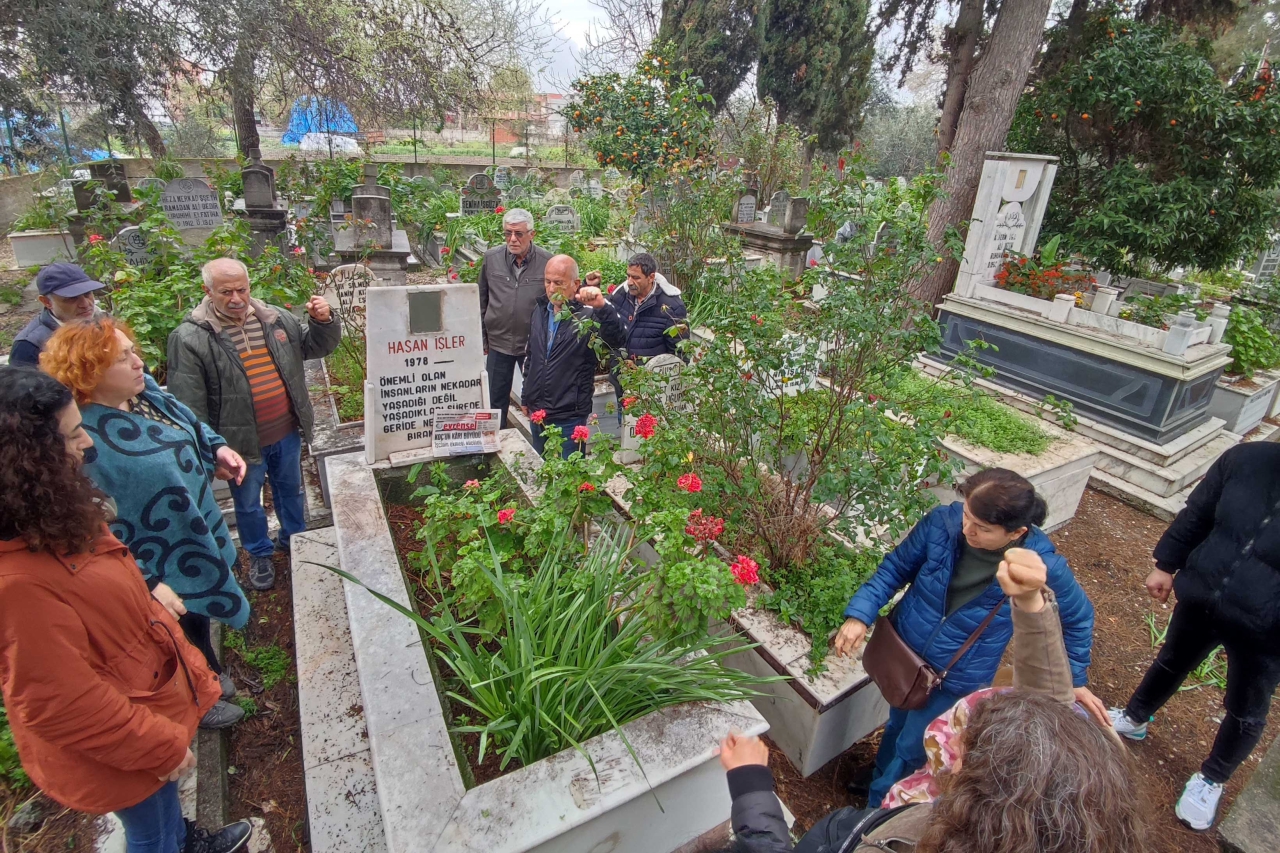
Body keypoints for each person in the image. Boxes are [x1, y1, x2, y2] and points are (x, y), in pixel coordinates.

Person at [716, 549, 1146, 853]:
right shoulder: (1030, 817)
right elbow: (1044, 714)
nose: (944, 743)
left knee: (906, 746)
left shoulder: (910, 839)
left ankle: (875, 792)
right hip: (912, 672)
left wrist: (752, 787)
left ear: (981, 788)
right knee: (898, 739)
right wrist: (1030, 604)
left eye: (964, 743)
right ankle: (875, 784)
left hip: (854, 824)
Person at [0, 365, 254, 853]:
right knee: (149, 832)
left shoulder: (49, 517)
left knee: (162, 814)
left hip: (141, 705)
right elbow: (62, 703)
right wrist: (157, 745)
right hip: (122, 741)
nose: (87, 445)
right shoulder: (17, 584)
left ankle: (187, 840)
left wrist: (145, 595)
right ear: (28, 458)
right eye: (73, 435)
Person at [832, 467, 1101, 806]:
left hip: (955, 677)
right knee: (898, 721)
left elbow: (1079, 618)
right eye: (967, 516)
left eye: (982, 528)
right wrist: (861, 613)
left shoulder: (1041, 567)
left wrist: (1074, 679)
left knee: (916, 745)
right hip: (904, 656)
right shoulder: (942, 525)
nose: (967, 530)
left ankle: (877, 808)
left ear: (1016, 532)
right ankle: (882, 776)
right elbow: (896, 567)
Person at [42, 317, 250, 730]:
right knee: (167, 630)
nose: (139, 362)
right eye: (124, 358)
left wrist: (217, 448)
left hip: (192, 532)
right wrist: (146, 579)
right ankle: (198, 699)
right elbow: (89, 522)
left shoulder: (145, 395)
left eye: (133, 351)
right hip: (151, 555)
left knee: (196, 618)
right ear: (90, 370)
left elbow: (189, 423)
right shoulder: (82, 436)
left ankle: (207, 668)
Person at [1109, 441, 1280, 831]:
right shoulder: (1247, 459)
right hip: (1204, 594)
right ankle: (1135, 717)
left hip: (1267, 629)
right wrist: (1166, 564)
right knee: (1171, 660)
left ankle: (1212, 778)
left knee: (1246, 708)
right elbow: (1199, 512)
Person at [167, 258, 341, 591]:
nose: (236, 298)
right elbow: (189, 404)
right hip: (237, 442)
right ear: (207, 291)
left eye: (242, 289)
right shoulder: (190, 338)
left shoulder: (275, 318)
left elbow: (314, 347)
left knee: (290, 489)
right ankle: (259, 552)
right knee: (248, 503)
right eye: (225, 291)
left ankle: (294, 539)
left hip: (285, 430)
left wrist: (323, 321)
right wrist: (210, 453)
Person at [520, 254, 626, 459]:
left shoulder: (588, 317)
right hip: (538, 411)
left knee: (569, 477)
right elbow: (532, 356)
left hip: (568, 413)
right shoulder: (541, 310)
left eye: (558, 283)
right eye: (547, 281)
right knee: (543, 471)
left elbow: (617, 339)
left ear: (575, 284)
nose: (551, 289)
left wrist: (602, 308)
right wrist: (526, 395)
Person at [477, 208, 553, 429]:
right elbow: (481, 299)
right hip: (499, 342)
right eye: (508, 233)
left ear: (532, 234)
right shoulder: (492, 259)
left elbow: (555, 303)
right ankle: (495, 445)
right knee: (495, 399)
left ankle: (544, 445)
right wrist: (484, 339)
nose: (512, 239)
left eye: (518, 234)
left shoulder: (546, 261)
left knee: (537, 397)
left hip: (532, 344)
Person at [9, 263, 105, 366]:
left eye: (87, 294)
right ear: (47, 302)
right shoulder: (29, 347)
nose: (85, 304)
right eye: (72, 298)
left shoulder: (104, 320)